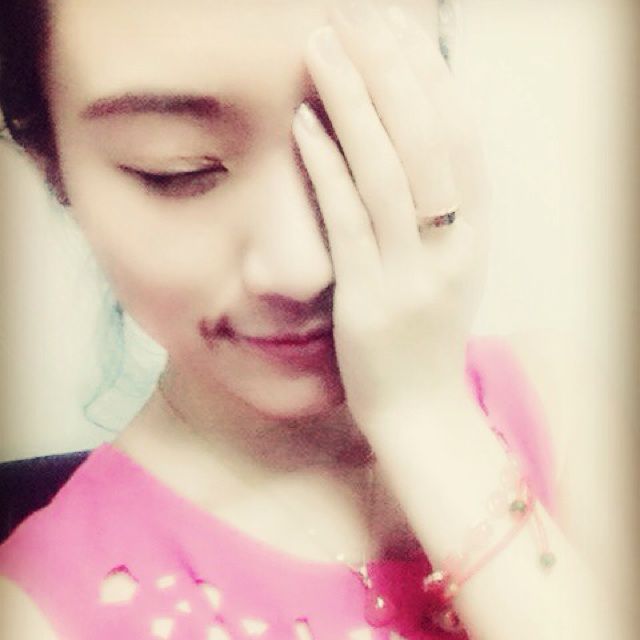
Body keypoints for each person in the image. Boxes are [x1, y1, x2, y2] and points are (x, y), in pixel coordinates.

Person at [0, 1, 630, 638]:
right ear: (53, 161)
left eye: (359, 137)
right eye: (177, 171)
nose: (298, 268)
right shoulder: (41, 611)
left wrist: (425, 413)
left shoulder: (561, 409)